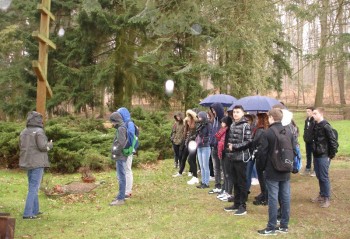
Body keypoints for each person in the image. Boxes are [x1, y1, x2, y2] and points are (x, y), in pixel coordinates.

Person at [257, 108, 293, 235]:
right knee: (285, 196)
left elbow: (262, 153)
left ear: (271, 117)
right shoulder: (288, 131)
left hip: (272, 169)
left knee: (273, 197)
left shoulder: (267, 133)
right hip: (286, 168)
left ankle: (271, 227)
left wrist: (261, 168)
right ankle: (284, 225)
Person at [19, 111, 53, 219]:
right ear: (38, 120)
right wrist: (50, 145)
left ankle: (35, 210)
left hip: (27, 162)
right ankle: (28, 213)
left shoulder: (23, 132)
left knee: (32, 186)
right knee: (33, 188)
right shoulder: (39, 131)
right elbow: (43, 147)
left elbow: (21, 146)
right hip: (37, 163)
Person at [224, 105, 252, 216]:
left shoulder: (246, 126)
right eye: (234, 112)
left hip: (241, 157)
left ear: (243, 113)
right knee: (235, 181)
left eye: (238, 112)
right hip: (232, 157)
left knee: (242, 182)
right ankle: (236, 203)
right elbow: (229, 139)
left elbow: (249, 141)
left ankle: (243, 206)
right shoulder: (232, 125)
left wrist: (235, 146)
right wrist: (228, 148)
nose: (235, 114)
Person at [310, 107, 338, 208]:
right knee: (319, 175)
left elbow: (333, 142)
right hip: (316, 154)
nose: (313, 115)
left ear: (321, 114)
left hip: (324, 155)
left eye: (315, 113)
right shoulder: (315, 125)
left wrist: (330, 155)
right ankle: (321, 194)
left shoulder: (326, 126)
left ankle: (326, 197)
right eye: (313, 114)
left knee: (324, 176)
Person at [173, 110, 199, 185]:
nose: (187, 123)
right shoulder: (187, 128)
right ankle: (180, 172)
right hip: (187, 144)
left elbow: (197, 135)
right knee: (183, 158)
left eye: (188, 121)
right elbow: (186, 136)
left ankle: (194, 176)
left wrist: (191, 138)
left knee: (191, 160)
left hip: (193, 144)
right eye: (186, 122)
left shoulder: (195, 125)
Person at [117, 107, 137, 199]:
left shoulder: (129, 123)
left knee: (127, 170)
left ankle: (128, 192)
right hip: (124, 150)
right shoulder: (124, 124)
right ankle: (124, 190)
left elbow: (131, 137)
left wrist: (127, 149)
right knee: (124, 170)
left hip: (127, 151)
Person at [109, 111, 128, 206]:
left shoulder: (121, 129)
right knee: (121, 176)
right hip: (120, 156)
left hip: (120, 156)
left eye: (112, 121)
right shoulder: (122, 127)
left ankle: (120, 199)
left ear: (115, 120)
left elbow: (121, 143)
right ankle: (121, 196)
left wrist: (115, 152)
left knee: (121, 177)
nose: (112, 124)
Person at [252, 113, 269, 206]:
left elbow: (256, 141)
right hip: (261, 155)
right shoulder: (263, 129)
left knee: (263, 177)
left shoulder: (261, 130)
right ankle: (263, 194)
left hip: (261, 156)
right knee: (262, 178)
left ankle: (265, 197)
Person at [208, 103, 225, 194]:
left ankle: (225, 187)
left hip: (221, 148)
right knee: (216, 168)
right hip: (213, 147)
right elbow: (212, 133)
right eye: (212, 110)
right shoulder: (214, 120)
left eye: (214, 110)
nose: (213, 112)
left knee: (223, 168)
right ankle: (217, 185)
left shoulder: (223, 121)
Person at [215, 116, 233, 202]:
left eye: (223, 122)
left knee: (228, 174)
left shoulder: (229, 131)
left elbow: (228, 142)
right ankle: (225, 190)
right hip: (222, 153)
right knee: (225, 173)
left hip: (227, 154)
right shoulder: (222, 131)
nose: (221, 124)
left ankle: (228, 192)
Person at [195, 111, 212, 189]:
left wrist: (204, 139)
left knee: (205, 165)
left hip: (205, 147)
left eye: (200, 117)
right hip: (199, 146)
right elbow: (197, 134)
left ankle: (206, 183)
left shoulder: (208, 124)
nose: (199, 118)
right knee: (201, 166)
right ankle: (203, 181)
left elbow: (210, 135)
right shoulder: (200, 125)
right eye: (198, 117)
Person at [302, 106, 315, 176]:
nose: (307, 113)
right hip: (307, 140)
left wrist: (313, 138)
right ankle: (308, 168)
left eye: (309, 111)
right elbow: (305, 129)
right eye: (306, 111)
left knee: (315, 155)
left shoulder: (314, 120)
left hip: (313, 141)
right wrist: (305, 137)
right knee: (308, 155)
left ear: (313, 112)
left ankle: (315, 170)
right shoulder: (307, 120)